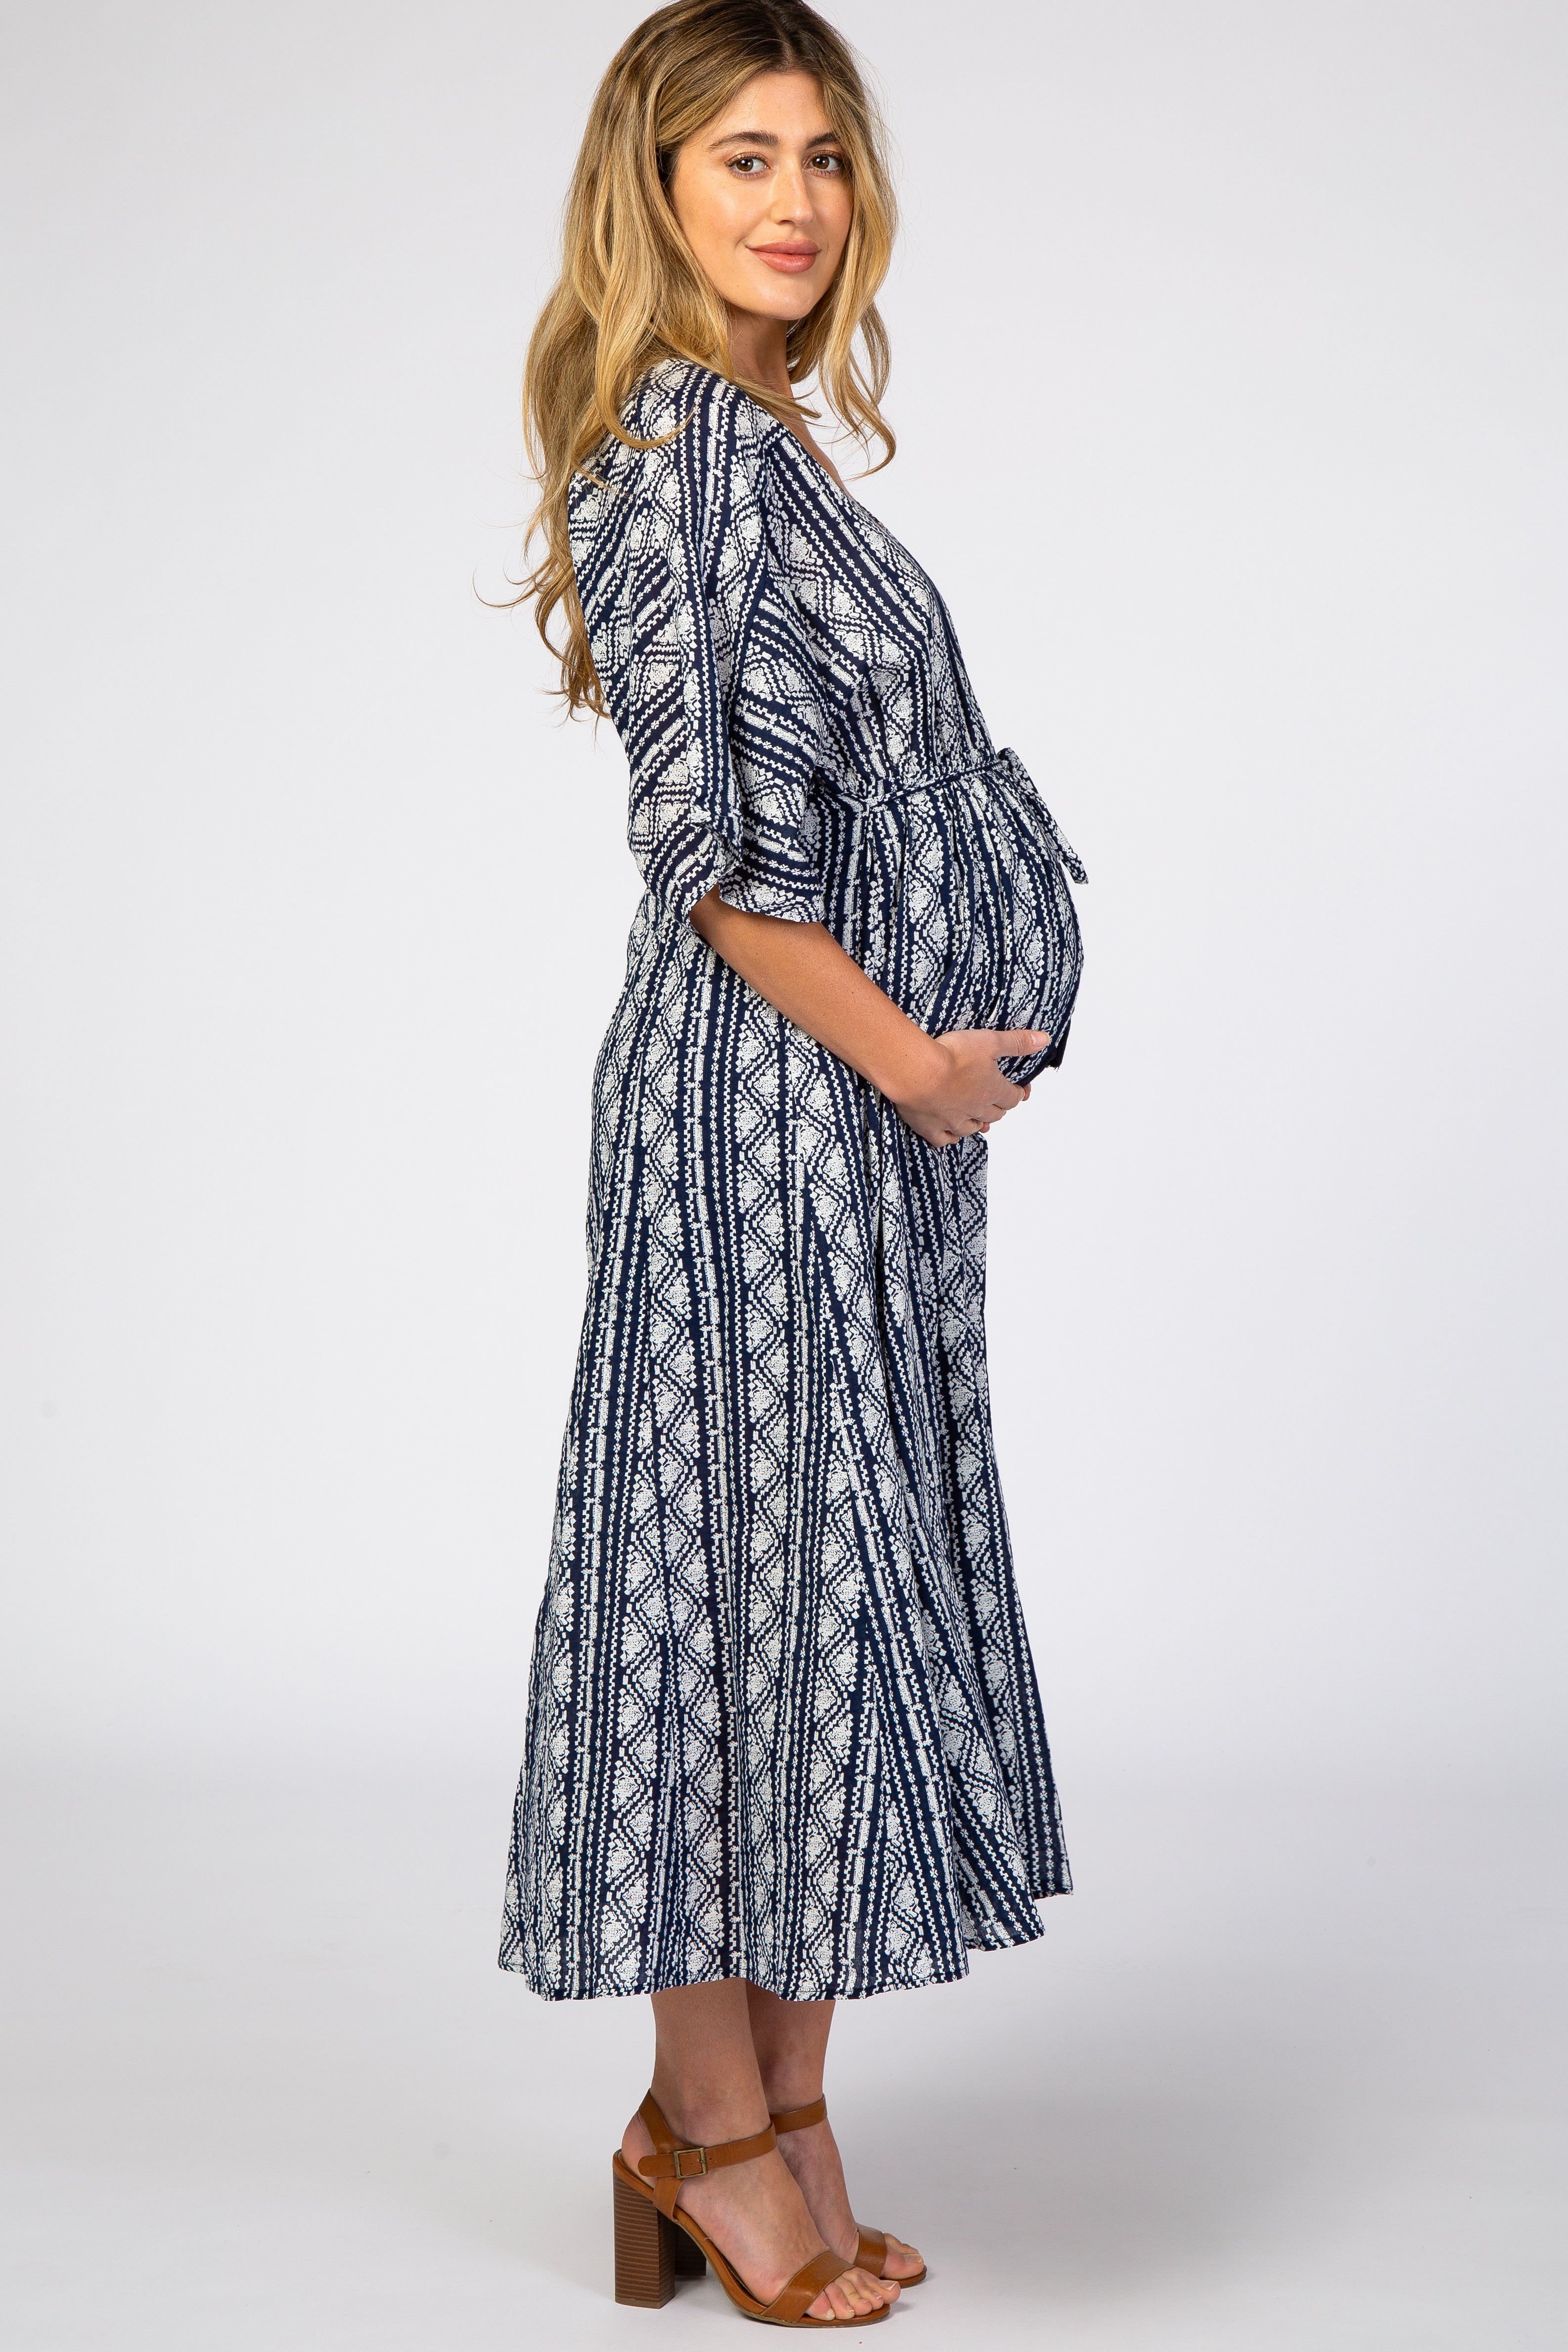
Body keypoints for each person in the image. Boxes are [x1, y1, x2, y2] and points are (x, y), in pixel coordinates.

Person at [499, 0, 1085, 2327]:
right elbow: (724, 873)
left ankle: (790, 2109)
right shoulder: (679, 456)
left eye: (824, 155)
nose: (796, 199)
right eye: (743, 154)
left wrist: (928, 1079)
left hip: (854, 1117)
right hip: (764, 1106)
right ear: (652, 187)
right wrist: (917, 1066)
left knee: (833, 1591)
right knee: (738, 1601)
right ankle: (706, 2129)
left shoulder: (769, 443)